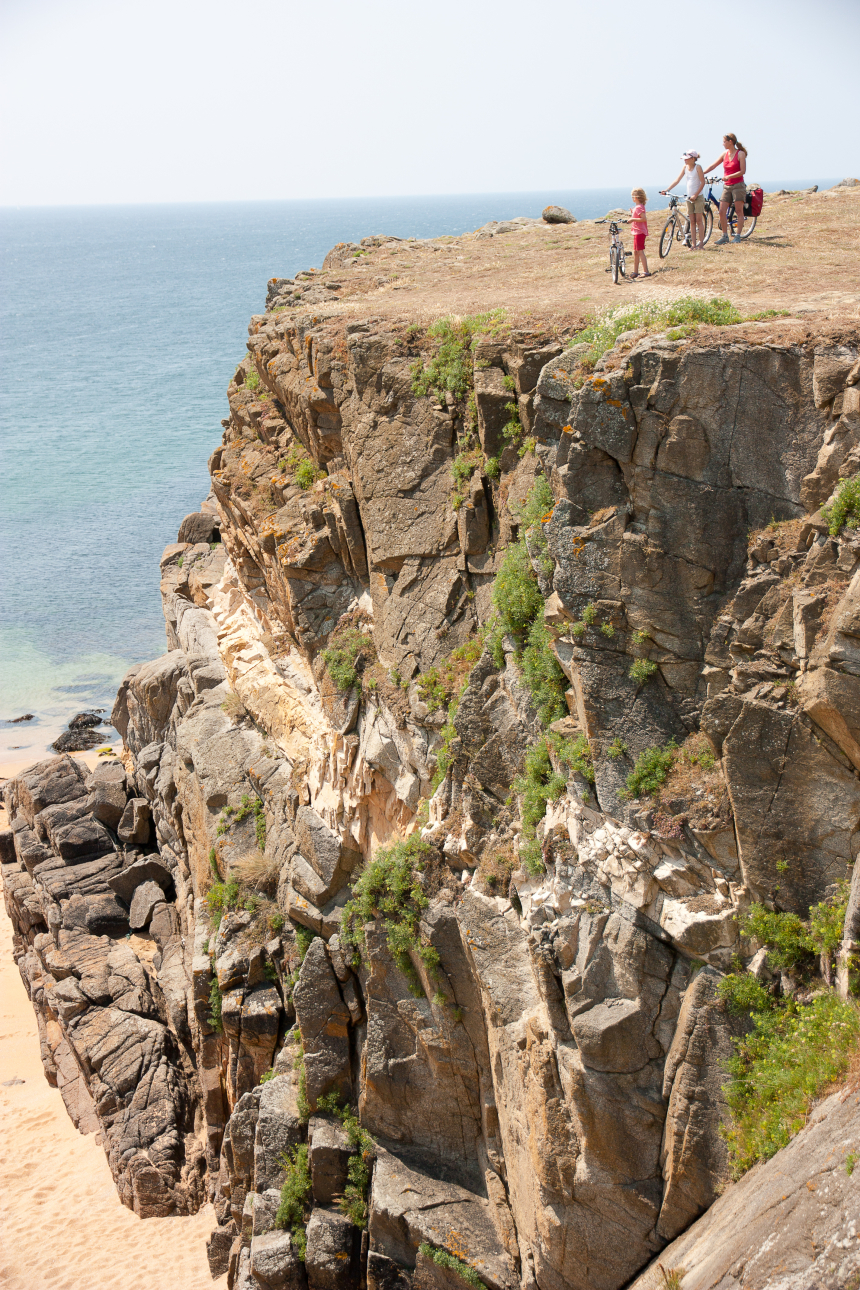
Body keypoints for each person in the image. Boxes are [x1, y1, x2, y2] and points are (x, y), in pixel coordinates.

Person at [704, 133, 748, 244]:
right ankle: (724, 236)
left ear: (730, 141)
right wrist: (701, 173)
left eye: (724, 141)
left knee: (739, 211)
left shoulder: (740, 154)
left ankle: (737, 236)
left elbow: (742, 171)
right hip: (727, 186)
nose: (723, 144)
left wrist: (729, 176)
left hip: (738, 185)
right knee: (722, 211)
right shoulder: (724, 154)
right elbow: (713, 165)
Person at [660, 151, 706, 250]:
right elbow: (677, 180)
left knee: (699, 220)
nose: (685, 160)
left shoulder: (698, 167)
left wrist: (696, 195)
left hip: (698, 197)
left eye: (687, 158)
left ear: (693, 158)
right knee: (692, 221)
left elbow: (702, 182)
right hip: (689, 197)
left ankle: (701, 244)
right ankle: (693, 244)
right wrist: (667, 190)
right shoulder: (685, 168)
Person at [629, 188, 651, 278]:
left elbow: (643, 218)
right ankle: (635, 271)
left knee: (640, 251)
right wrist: (632, 213)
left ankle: (646, 271)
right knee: (636, 252)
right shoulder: (638, 207)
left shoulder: (639, 207)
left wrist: (632, 219)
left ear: (636, 197)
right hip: (637, 232)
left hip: (639, 232)